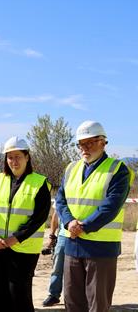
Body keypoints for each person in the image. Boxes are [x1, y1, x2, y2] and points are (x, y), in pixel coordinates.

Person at [56, 120, 134, 312]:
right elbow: (60, 200)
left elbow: (111, 206)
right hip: (72, 245)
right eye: (81, 144)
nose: (85, 148)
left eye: (90, 142)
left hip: (101, 248)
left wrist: (82, 226)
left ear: (103, 142)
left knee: (98, 305)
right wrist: (68, 223)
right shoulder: (71, 168)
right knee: (72, 303)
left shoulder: (118, 169)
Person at [0, 136, 51, 312]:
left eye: (18, 156)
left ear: (27, 157)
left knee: (19, 296)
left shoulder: (39, 183)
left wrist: (16, 238)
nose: (14, 161)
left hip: (24, 250)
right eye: (10, 157)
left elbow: (38, 218)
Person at [42, 206, 67, 307]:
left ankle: (74, 297)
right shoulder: (63, 191)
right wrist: (52, 236)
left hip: (85, 235)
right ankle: (54, 295)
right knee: (57, 267)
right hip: (63, 236)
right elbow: (56, 215)